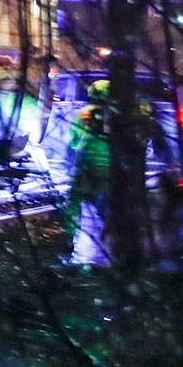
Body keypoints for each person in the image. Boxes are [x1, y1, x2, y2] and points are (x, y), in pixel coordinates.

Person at [66, 79, 112, 266]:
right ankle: (106, 247)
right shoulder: (119, 115)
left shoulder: (83, 113)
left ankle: (70, 241)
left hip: (85, 163)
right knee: (107, 209)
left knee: (76, 204)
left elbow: (72, 139)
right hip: (110, 166)